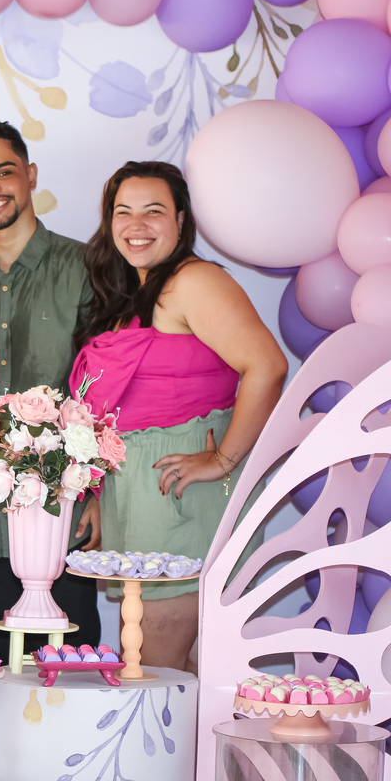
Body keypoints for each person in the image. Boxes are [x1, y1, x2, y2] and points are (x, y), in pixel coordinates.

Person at [70, 161, 286, 672]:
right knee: (186, 669)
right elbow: (122, 405)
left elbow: (268, 366)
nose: (136, 225)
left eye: (154, 211)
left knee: (153, 667)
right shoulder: (132, 294)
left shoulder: (193, 281)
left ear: (181, 220)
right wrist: (100, 493)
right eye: (123, 212)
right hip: (142, 493)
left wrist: (222, 459)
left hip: (181, 493)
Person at [0, 120, 101, 657]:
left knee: (65, 675)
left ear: (30, 175)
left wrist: (100, 497)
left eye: (3, 172)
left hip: (63, 511)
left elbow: (107, 386)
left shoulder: (86, 267)